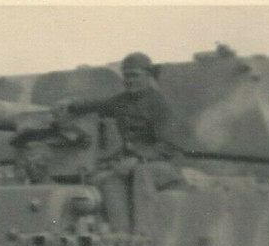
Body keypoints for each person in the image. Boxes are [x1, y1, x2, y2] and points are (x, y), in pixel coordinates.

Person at [56, 52, 182, 231]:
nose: (130, 80)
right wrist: (70, 104)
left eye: (135, 75)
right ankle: (120, 234)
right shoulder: (122, 101)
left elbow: (169, 147)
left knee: (142, 174)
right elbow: (96, 105)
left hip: (164, 166)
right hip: (133, 164)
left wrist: (139, 159)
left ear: (148, 76)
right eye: (127, 76)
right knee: (110, 179)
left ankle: (143, 234)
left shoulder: (160, 105)